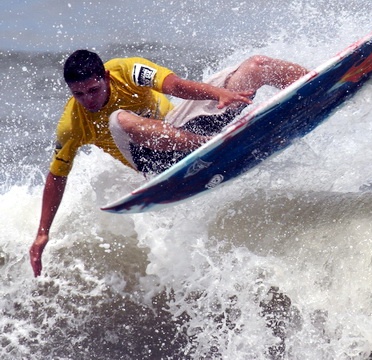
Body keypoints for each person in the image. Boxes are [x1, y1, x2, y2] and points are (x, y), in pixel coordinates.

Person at [29, 49, 309, 277]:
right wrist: (43, 233)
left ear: (106, 77)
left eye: (93, 89)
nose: (88, 100)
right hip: (155, 163)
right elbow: (57, 176)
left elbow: (174, 85)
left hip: (181, 131)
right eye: (79, 94)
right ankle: (212, 145)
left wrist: (218, 94)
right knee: (119, 119)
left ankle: (335, 80)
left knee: (256, 65)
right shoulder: (72, 125)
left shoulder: (127, 70)